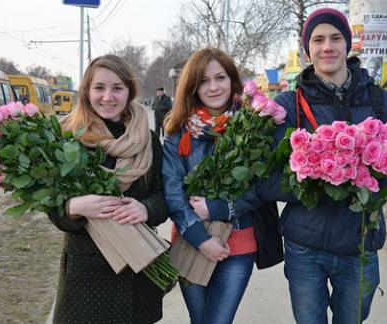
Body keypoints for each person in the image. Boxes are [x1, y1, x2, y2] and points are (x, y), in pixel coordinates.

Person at [210, 8, 387, 323]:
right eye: (318, 40)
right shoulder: (287, 107)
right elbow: (264, 180)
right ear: (308, 50)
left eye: (336, 38)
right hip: (305, 246)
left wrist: (369, 172)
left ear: (347, 45)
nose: (327, 47)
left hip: (360, 244)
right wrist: (316, 180)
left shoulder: (380, 102)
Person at [47, 55, 168, 324]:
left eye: (117, 88)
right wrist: (73, 207)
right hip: (87, 276)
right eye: (99, 87)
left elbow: (163, 199)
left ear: (129, 91)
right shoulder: (68, 138)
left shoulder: (147, 140)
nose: (107, 97)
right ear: (87, 91)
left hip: (139, 269)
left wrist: (145, 208)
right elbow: (51, 206)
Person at [162, 48, 279, 324]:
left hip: (238, 244)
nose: (213, 87)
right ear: (193, 86)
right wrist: (201, 240)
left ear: (232, 80)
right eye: (203, 80)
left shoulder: (254, 126)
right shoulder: (180, 131)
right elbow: (172, 191)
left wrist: (219, 208)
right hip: (191, 239)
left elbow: (263, 186)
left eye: (220, 77)